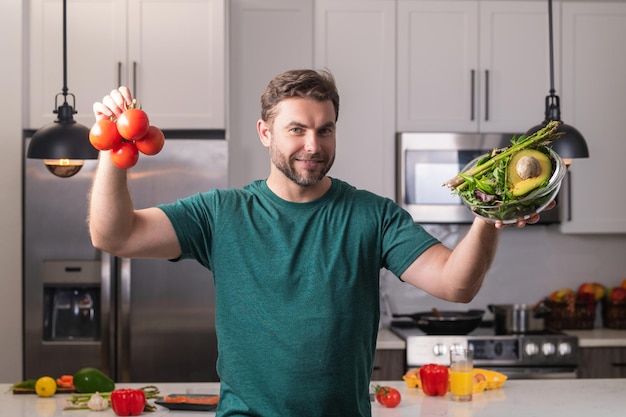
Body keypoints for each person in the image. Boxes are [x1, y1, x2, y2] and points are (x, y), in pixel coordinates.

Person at [89, 69, 542, 417]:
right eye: (297, 130)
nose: (313, 144)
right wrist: (113, 151)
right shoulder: (219, 214)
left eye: (325, 129)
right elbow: (116, 234)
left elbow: (455, 285)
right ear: (266, 133)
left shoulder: (372, 215)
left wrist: (489, 215)